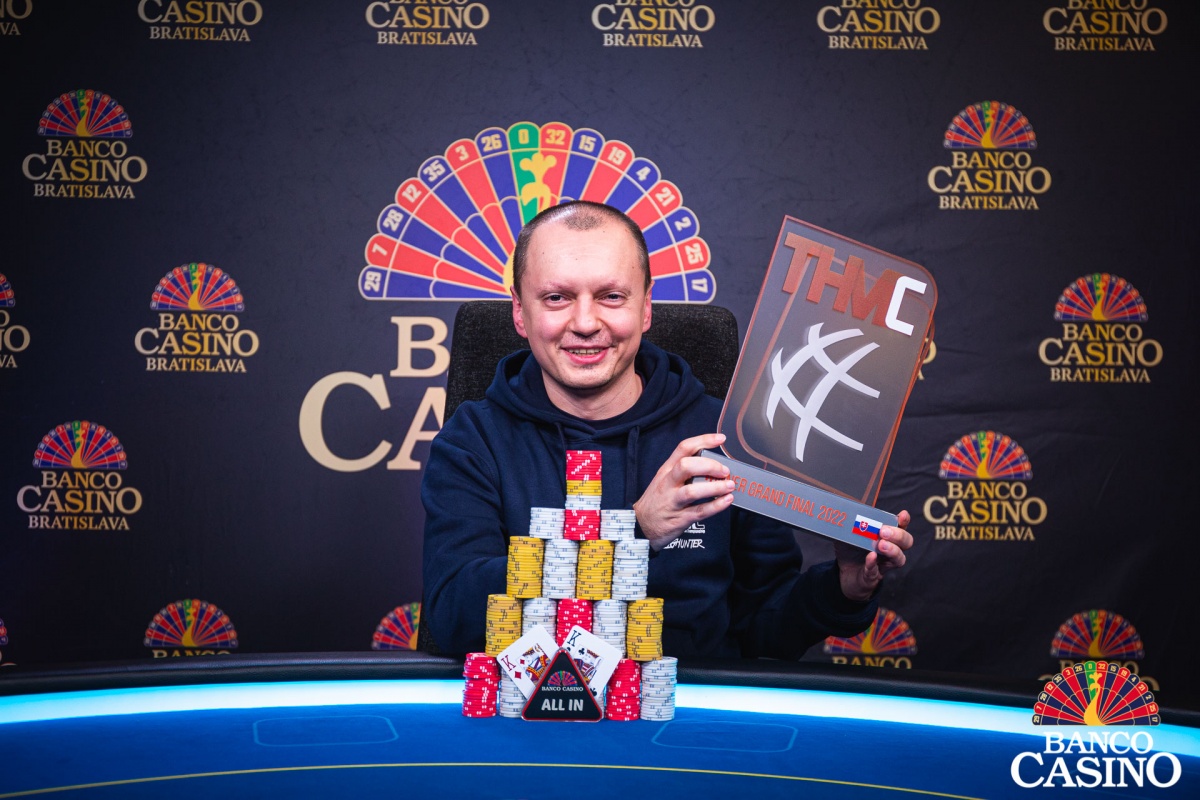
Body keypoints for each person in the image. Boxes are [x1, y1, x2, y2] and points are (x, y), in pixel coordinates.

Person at [420, 200, 912, 658]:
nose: (585, 322)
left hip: (695, 711)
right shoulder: (472, 441)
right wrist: (634, 531)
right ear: (519, 312)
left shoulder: (730, 440)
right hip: (529, 712)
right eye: (556, 298)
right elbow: (456, 616)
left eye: (612, 296)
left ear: (645, 308)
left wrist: (843, 589)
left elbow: (762, 627)